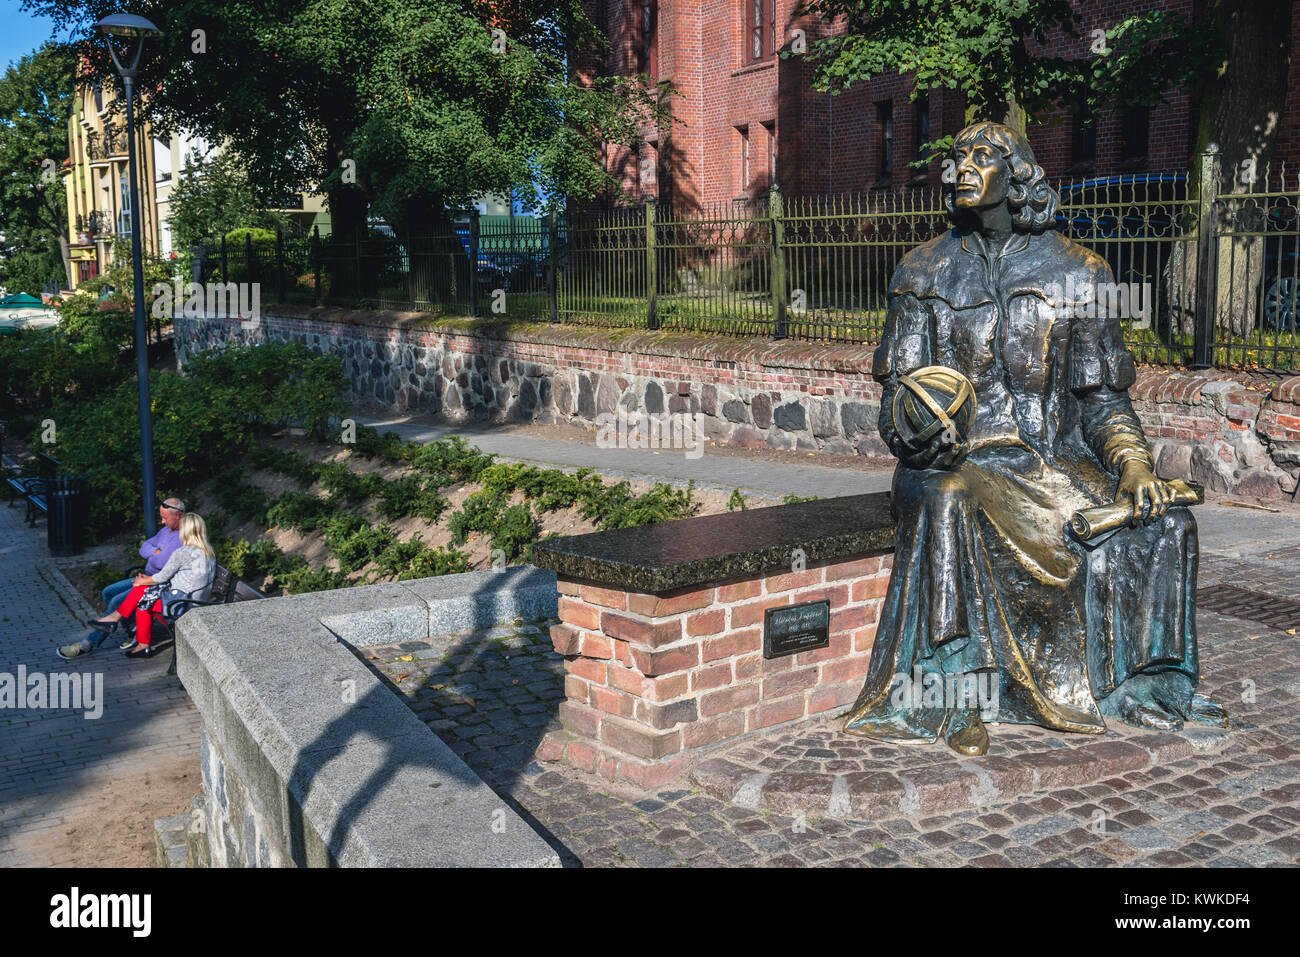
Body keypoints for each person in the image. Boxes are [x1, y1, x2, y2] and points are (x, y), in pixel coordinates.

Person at [842, 121, 1226, 756]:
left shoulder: (1082, 274)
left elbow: (1104, 403)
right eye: (957, 157)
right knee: (949, 497)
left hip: (1052, 465)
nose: (962, 167)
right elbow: (896, 401)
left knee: (1164, 526)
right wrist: (916, 433)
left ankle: (1143, 685)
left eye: (982, 157)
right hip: (954, 461)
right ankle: (952, 693)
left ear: (1016, 175)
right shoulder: (922, 272)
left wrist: (1133, 468)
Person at [58, 498, 186, 660]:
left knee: (116, 602)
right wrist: (155, 552)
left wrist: (155, 555)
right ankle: (133, 627)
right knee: (108, 592)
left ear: (179, 515)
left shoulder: (181, 536)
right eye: (161, 517)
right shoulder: (166, 531)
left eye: (165, 518)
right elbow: (144, 546)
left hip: (157, 583)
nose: (162, 521)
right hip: (146, 578)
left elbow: (161, 563)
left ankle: (88, 644)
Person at [84, 513, 216, 660]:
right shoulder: (208, 552)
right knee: (144, 597)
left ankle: (120, 624)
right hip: (195, 601)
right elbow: (182, 578)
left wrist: (142, 581)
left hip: (181, 605)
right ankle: (135, 639)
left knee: (142, 593)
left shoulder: (183, 552)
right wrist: (146, 580)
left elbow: (162, 577)